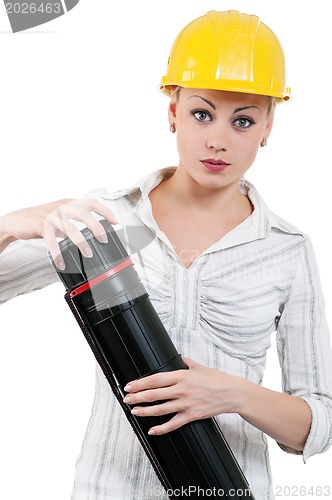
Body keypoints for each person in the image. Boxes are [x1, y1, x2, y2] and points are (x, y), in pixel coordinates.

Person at [0, 9, 331, 500]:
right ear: (173, 111)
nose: (218, 139)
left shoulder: (286, 249)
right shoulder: (105, 222)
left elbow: (317, 425)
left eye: (243, 120)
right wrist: (10, 224)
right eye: (202, 113)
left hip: (228, 489)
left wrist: (232, 393)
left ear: (268, 126)